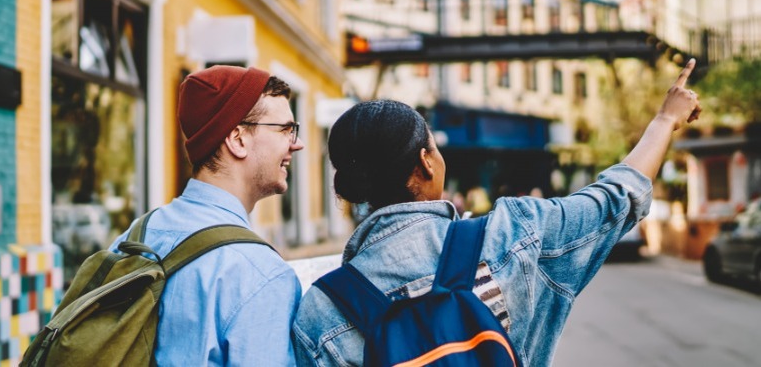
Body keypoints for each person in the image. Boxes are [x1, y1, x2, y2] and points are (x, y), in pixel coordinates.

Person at [293, 59, 702, 366]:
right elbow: (617, 196)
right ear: (426, 163)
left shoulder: (323, 309)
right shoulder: (511, 232)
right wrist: (666, 119)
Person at [110, 65, 304, 366]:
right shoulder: (261, 274)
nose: (297, 143)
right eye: (286, 129)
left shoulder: (137, 235)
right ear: (238, 139)